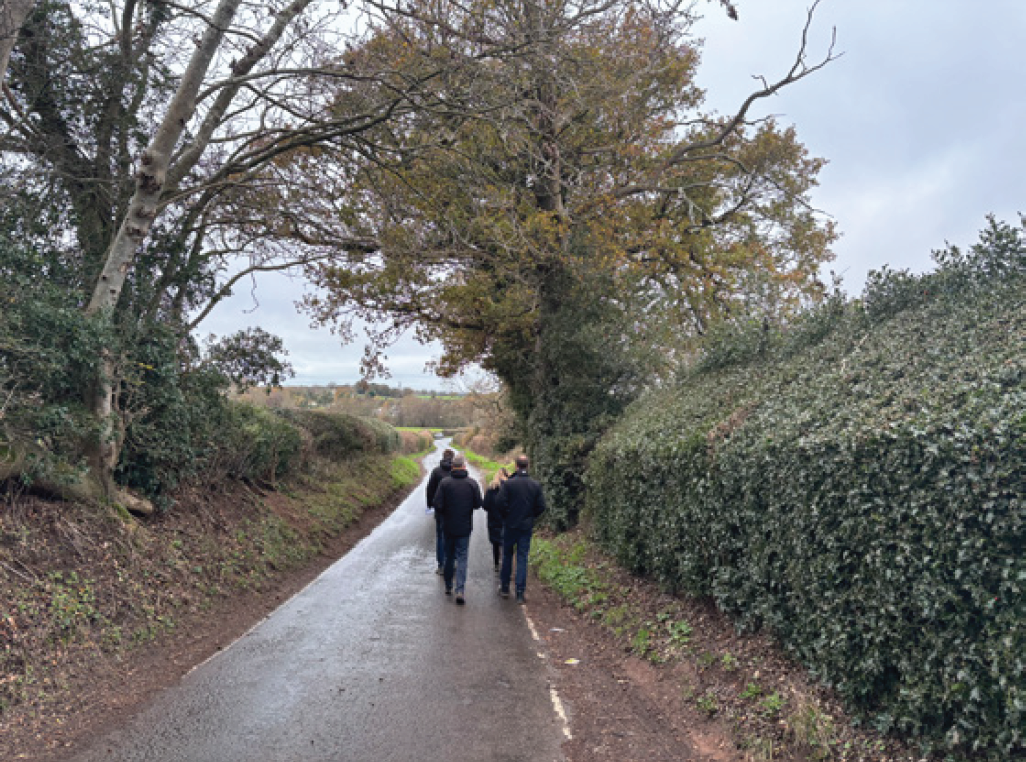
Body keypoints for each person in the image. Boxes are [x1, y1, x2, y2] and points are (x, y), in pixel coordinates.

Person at [432, 453, 483, 605]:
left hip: (448, 526)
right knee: (462, 558)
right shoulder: (472, 484)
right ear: (464, 466)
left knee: (448, 556)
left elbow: (437, 503)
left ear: (453, 467)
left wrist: (445, 513)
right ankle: (460, 589)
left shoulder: (445, 483)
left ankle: (448, 586)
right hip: (464, 527)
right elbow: (478, 504)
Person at [496, 454, 546, 604]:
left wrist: (507, 516)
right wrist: (531, 517)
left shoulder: (509, 484)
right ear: (527, 466)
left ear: (516, 466)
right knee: (522, 558)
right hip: (525, 526)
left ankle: (505, 588)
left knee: (507, 556)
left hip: (510, 525)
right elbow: (541, 507)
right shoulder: (535, 485)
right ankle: (519, 593)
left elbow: (499, 503)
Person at [425, 448, 454, 575]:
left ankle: (441, 565)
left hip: (440, 510)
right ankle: (453, 561)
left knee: (441, 536)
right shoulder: (457, 471)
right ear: (452, 458)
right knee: (453, 536)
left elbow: (430, 489)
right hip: (454, 510)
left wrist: (430, 504)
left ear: (443, 457)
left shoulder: (436, 471)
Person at [481, 467, 510, 574]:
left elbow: (485, 506)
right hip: (506, 520)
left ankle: (496, 564)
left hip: (493, 520)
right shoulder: (510, 489)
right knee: (505, 543)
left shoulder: (491, 489)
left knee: (495, 544)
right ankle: (505, 564)